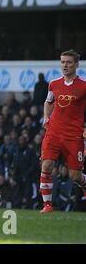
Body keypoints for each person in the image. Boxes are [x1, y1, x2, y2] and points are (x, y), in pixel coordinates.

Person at [39, 50, 86, 213]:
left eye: (68, 62)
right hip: (53, 132)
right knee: (46, 165)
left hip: (74, 135)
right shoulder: (54, 83)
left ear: (76, 65)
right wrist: (46, 117)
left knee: (75, 176)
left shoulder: (84, 86)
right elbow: (49, 101)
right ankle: (47, 205)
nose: (65, 65)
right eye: (63, 62)